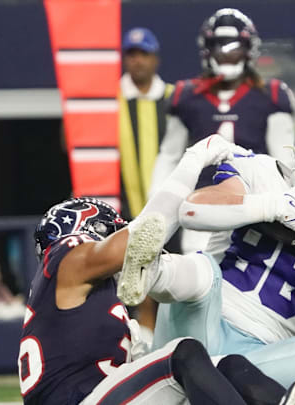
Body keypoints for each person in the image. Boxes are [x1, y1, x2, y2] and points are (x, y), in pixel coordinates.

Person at [17, 136, 295, 405]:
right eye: (111, 230)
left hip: (106, 395)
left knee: (227, 367)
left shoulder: (70, 296)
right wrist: (193, 161)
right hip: (84, 400)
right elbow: (141, 237)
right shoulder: (67, 258)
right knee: (182, 355)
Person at [122, 96, 295, 405]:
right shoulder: (261, 172)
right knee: (204, 269)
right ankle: (149, 271)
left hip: (263, 361)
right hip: (200, 326)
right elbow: (192, 212)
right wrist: (275, 205)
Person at [151, 8, 295, 254]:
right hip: (203, 203)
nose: (226, 55)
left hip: (254, 203)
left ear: (249, 49)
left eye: (234, 47)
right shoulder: (185, 96)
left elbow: (284, 160)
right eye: (220, 47)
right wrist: (157, 206)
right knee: (198, 270)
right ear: (207, 49)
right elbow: (169, 156)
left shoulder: (271, 95)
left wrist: (287, 204)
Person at [119, 26, 175, 346]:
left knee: (168, 276)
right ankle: (139, 344)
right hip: (122, 206)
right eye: (132, 54)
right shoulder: (108, 100)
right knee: (129, 280)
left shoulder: (173, 100)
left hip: (169, 207)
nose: (138, 61)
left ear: (156, 59)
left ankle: (166, 342)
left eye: (144, 54)